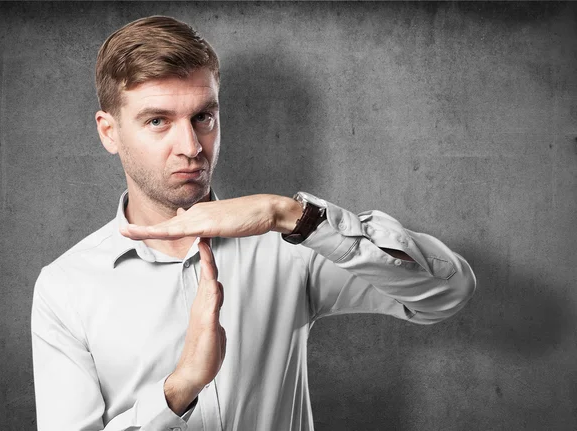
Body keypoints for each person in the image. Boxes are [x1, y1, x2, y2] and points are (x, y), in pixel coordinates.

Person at [31, 15, 476, 431]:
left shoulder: (291, 244)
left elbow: (447, 292)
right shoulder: (67, 287)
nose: (190, 146)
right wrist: (179, 388)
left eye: (203, 116)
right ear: (109, 132)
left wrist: (291, 216)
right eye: (157, 121)